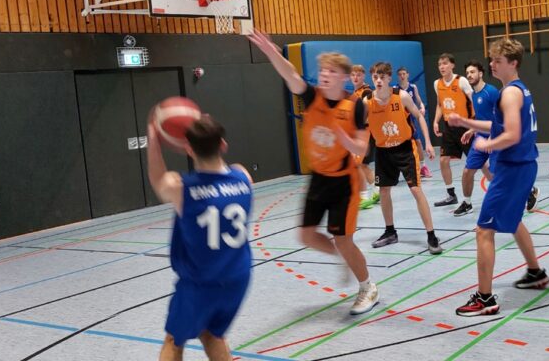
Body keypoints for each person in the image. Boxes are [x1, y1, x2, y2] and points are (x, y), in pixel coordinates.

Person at [246, 30, 379, 315]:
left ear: (343, 76)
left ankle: (368, 287)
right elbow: (291, 75)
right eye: (321, 70)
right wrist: (272, 53)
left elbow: (363, 148)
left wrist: (344, 140)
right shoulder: (311, 97)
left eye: (331, 71)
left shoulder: (355, 106)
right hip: (319, 178)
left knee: (344, 239)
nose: (324, 75)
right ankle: (343, 257)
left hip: (344, 182)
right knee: (306, 236)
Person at [449, 38, 549, 317]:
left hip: (512, 168)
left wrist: (487, 145)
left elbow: (512, 134)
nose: (492, 64)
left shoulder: (509, 94)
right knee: (514, 221)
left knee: (483, 230)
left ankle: (484, 299)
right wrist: (468, 123)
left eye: (497, 61)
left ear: (513, 63)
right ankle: (535, 272)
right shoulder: (515, 89)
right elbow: (499, 125)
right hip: (523, 165)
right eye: (491, 60)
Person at [147, 113, 253, 361]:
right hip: (238, 279)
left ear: (188, 150)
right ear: (223, 145)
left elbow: (157, 179)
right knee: (212, 335)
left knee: (174, 340)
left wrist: (154, 138)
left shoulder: (182, 188)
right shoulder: (243, 176)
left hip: (201, 283)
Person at [366, 62, 442, 254]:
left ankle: (431, 235)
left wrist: (427, 142)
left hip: (405, 149)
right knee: (384, 191)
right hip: (383, 151)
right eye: (375, 76)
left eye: (382, 76)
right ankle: (390, 231)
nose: (378, 80)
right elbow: (359, 126)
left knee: (416, 189)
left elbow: (419, 116)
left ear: (389, 78)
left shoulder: (401, 96)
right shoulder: (367, 102)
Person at [452, 61, 539, 217]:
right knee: (467, 171)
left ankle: (528, 191)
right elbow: (482, 117)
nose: (469, 75)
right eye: (467, 73)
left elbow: (500, 119)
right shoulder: (474, 95)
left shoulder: (492, 92)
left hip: (495, 138)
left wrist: (492, 138)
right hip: (481, 137)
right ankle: (467, 202)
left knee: (498, 176)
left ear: (480, 74)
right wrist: (471, 129)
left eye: (473, 72)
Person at [433, 53, 474, 207]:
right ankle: (451, 194)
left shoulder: (461, 81)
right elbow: (439, 104)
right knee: (443, 160)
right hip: (449, 127)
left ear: (452, 65)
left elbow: (473, 101)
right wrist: (436, 121)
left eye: (445, 63)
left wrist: (473, 125)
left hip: (465, 127)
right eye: (439, 64)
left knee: (479, 163)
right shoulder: (437, 84)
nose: (442, 66)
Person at [395, 66, 432, 178]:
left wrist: (422, 107)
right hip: (400, 120)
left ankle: (423, 167)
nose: (402, 76)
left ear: (408, 75)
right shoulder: (395, 89)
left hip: (411, 119)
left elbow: (419, 101)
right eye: (400, 74)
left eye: (404, 74)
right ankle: (398, 169)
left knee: (418, 142)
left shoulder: (412, 87)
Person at [351, 64, 380, 209]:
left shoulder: (366, 92)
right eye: (353, 75)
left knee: (358, 165)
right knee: (362, 165)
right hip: (364, 132)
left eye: (358, 75)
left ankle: (363, 198)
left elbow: (366, 115)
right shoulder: (355, 92)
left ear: (363, 76)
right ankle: (377, 189)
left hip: (366, 132)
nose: (355, 77)